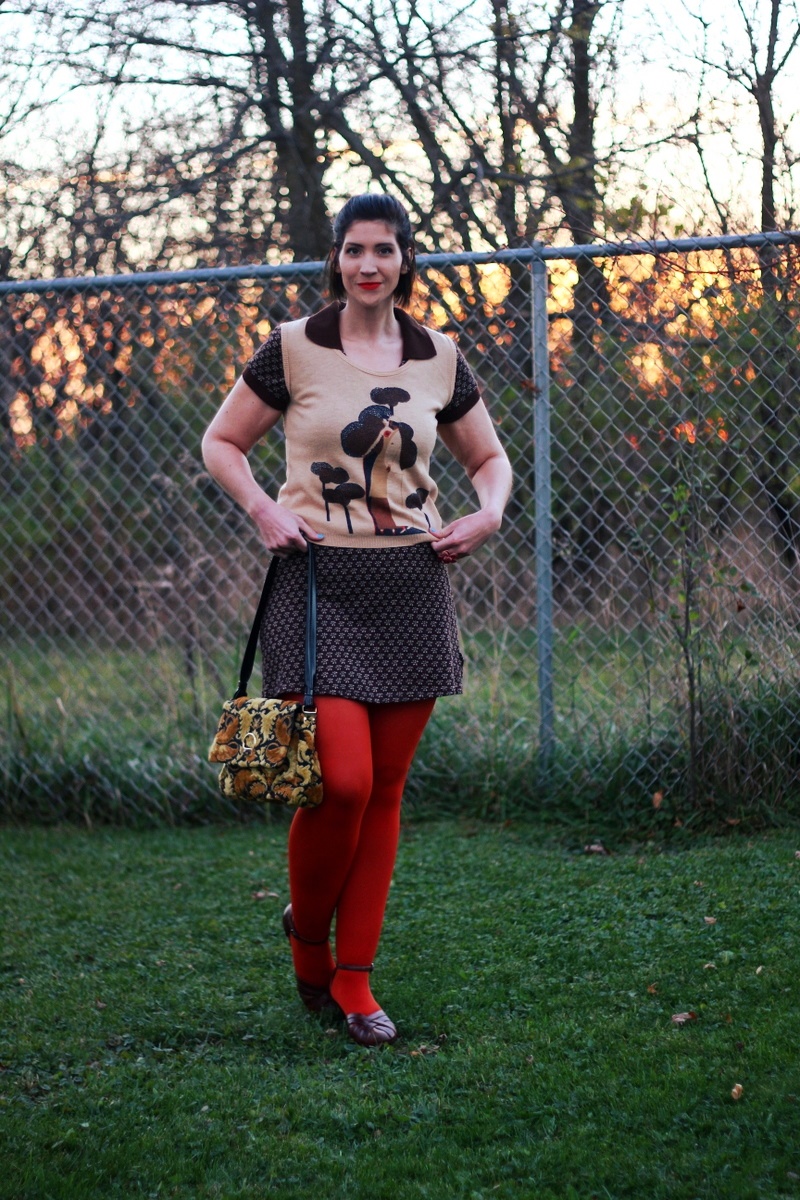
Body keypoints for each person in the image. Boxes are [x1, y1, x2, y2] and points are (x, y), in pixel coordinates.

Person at [202, 193, 512, 1046]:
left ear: (406, 259)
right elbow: (221, 443)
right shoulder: (294, 348)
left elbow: (488, 459)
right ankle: (307, 938)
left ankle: (355, 977)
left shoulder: (438, 357)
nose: (368, 264)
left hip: (412, 584)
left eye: (384, 249)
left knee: (386, 794)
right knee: (342, 783)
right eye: (353, 250)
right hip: (315, 585)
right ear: (335, 259)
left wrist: (487, 514)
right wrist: (265, 510)